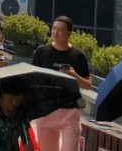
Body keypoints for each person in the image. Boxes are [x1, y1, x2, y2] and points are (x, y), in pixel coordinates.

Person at [30, 16, 91, 151]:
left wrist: (75, 76)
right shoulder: (42, 52)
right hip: (46, 110)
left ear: (69, 33)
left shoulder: (78, 55)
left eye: (60, 30)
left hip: (69, 111)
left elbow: (88, 84)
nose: (55, 32)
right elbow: (31, 78)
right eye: (54, 28)